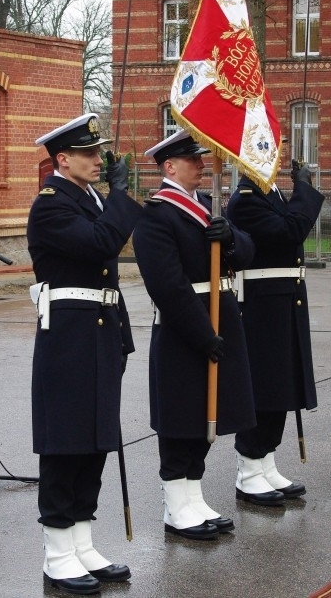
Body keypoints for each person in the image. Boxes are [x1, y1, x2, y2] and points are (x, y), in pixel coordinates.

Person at [132, 129, 268, 543]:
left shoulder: (207, 207)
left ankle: (193, 495)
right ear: (169, 167)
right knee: (182, 417)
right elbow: (167, 286)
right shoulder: (157, 214)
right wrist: (202, 334)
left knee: (210, 414)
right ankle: (176, 503)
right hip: (184, 328)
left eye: (200, 157)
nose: (201, 164)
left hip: (221, 317)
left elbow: (247, 253)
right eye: (192, 159)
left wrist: (230, 238)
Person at [27, 113, 140, 595]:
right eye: (90, 154)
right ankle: (57, 551)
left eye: (100, 152)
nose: (99, 159)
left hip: (99, 332)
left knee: (96, 439)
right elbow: (99, 246)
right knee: (65, 441)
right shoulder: (50, 205)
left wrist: (121, 337)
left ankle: (82, 540)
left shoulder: (90, 199)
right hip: (69, 336)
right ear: (63, 159)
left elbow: (109, 268)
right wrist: (118, 199)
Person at [226, 159, 325, 503]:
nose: (275, 162)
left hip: (283, 301)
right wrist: (305, 190)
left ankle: (266, 462)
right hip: (261, 306)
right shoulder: (246, 199)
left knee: (280, 386)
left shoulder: (271, 195)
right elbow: (290, 231)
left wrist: (296, 193)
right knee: (263, 387)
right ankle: (248, 470)